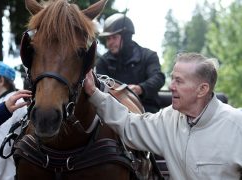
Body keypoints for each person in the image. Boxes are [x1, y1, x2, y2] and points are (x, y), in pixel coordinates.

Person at [84, 53, 242, 180]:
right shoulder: (168, 119)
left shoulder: (236, 124)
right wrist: (94, 93)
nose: (171, 87)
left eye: (179, 81)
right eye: (172, 78)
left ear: (202, 90)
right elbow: (129, 125)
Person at [96, 13, 165, 113]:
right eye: (108, 39)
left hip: (146, 111)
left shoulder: (148, 56)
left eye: (114, 37)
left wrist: (140, 88)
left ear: (126, 36)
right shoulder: (103, 62)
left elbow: (158, 77)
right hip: (113, 112)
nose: (109, 43)